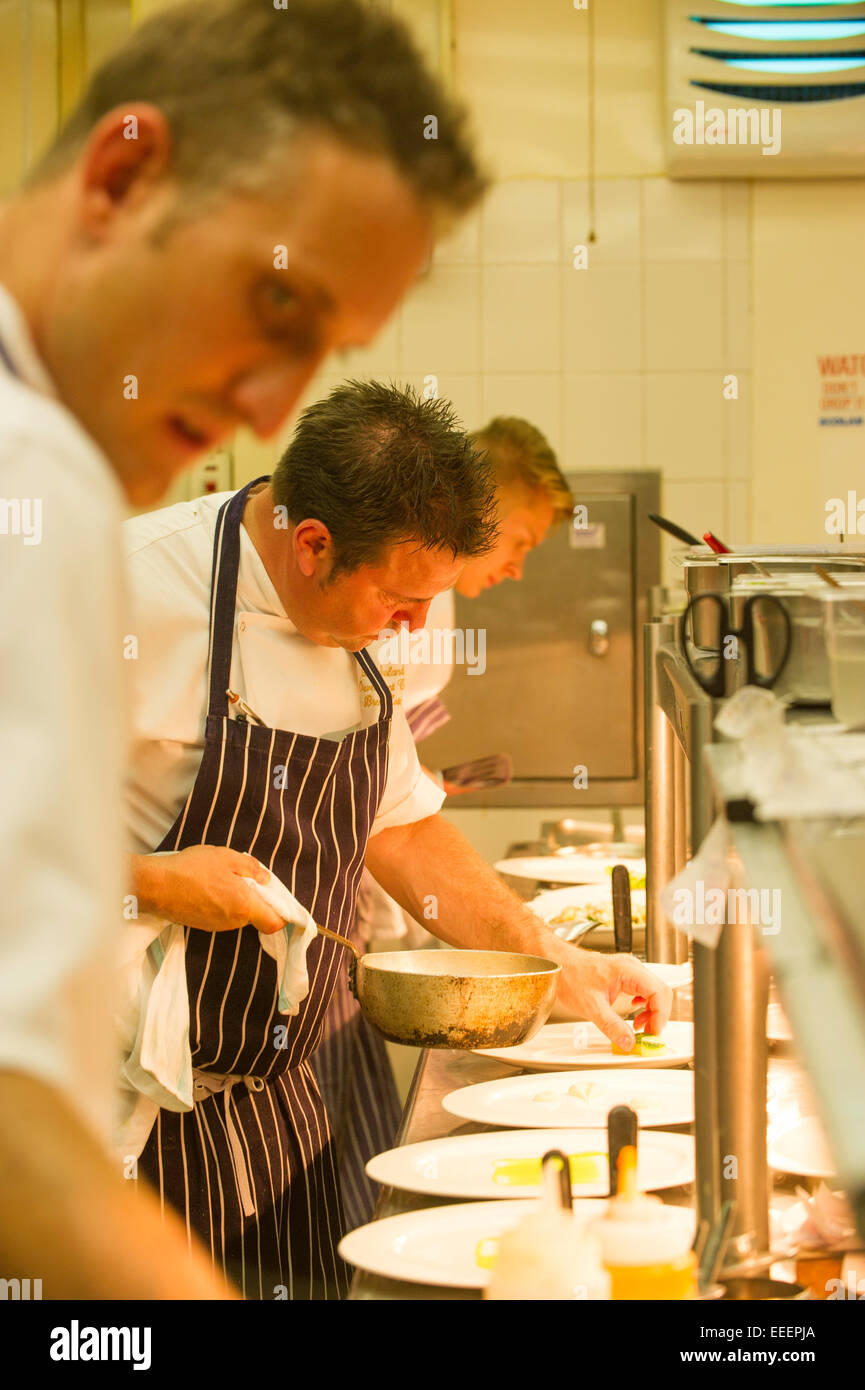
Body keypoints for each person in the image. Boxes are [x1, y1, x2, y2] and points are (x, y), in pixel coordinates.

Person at [0, 0, 486, 1298]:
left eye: (320, 346)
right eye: (274, 302)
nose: (271, 405)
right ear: (120, 174)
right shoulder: (44, 492)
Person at [122, 380, 672, 1299]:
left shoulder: (373, 627)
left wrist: (550, 963)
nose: (416, 627)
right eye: (404, 601)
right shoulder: (119, 594)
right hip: (125, 1113)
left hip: (285, 1096)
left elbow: (402, 827)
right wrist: (152, 882)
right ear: (311, 545)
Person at [319, 416, 575, 1232]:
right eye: (521, 542)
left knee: (347, 1177)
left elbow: (387, 804)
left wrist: (551, 964)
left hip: (336, 925)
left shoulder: (417, 629)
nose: (412, 624)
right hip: (256, 960)